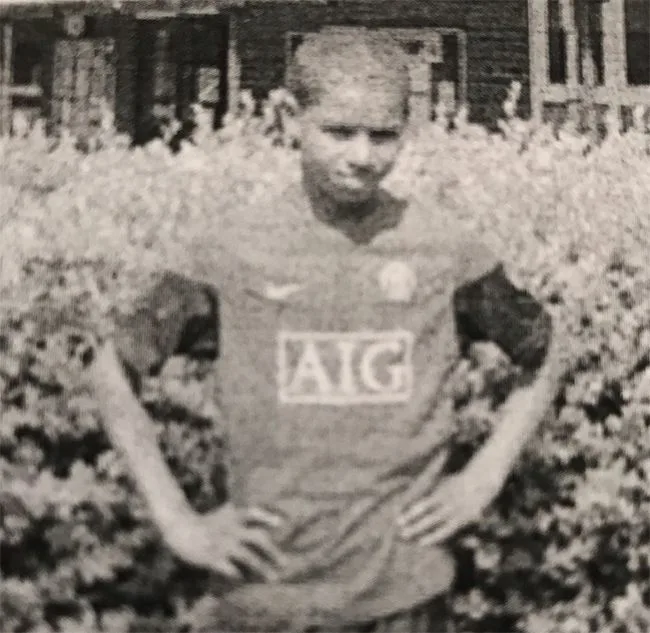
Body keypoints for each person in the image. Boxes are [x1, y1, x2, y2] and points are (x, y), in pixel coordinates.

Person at [88, 30, 559, 633]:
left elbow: (548, 348)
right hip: (267, 597)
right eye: (339, 132)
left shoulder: (442, 248)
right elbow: (111, 370)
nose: (362, 155)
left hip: (403, 597)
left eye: (383, 135)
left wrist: (483, 477)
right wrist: (179, 521)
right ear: (291, 118)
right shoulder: (232, 250)